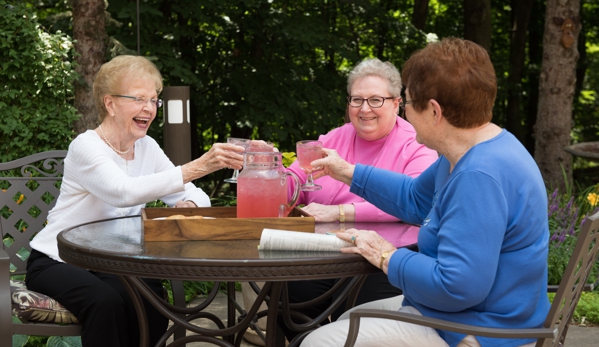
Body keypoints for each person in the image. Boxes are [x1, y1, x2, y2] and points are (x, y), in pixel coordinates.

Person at [300, 38, 550, 347]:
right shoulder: (470, 149)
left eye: (406, 101)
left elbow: (456, 286)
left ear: (434, 111)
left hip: (480, 329)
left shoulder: (478, 176)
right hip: (462, 312)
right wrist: (349, 172)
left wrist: (386, 255)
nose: (404, 111)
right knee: (345, 321)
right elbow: (415, 198)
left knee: (319, 343)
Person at [25, 55, 246, 347]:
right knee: (104, 303)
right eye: (139, 98)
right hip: (58, 260)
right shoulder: (86, 147)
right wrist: (201, 165)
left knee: (150, 296)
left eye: (154, 100)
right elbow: (122, 191)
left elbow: (194, 194)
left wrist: (189, 207)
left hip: (112, 263)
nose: (149, 108)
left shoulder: (147, 147)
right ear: (110, 104)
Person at [276, 58, 438, 341]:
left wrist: (338, 212)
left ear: (397, 102)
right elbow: (296, 182)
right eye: (357, 100)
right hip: (323, 252)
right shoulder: (335, 138)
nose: (365, 109)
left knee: (358, 317)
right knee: (286, 298)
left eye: (376, 100)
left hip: (385, 258)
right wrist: (268, 170)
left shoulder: (417, 143)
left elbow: (413, 201)